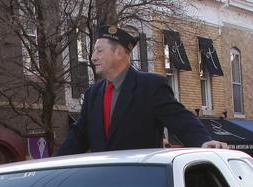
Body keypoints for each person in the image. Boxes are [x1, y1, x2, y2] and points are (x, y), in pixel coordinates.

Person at [55, 25, 223, 156]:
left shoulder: (150, 87)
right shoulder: (93, 94)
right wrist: (51, 165)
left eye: (99, 50)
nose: (92, 57)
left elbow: (180, 119)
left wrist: (203, 141)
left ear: (120, 53)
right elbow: (77, 137)